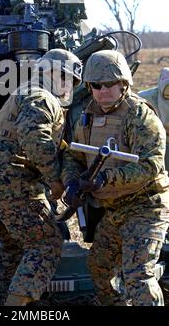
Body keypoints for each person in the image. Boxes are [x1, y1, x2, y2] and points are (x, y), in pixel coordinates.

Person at [0, 49, 82, 306]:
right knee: (46, 243)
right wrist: (54, 179)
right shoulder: (42, 97)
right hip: (10, 179)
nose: (67, 85)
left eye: (71, 81)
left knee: (14, 246)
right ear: (49, 73)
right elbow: (34, 137)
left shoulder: (25, 91)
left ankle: (7, 298)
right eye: (64, 78)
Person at [61, 49, 169, 306]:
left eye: (110, 84)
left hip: (147, 207)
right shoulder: (86, 117)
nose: (103, 90)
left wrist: (103, 180)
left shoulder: (140, 116)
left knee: (137, 275)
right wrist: (72, 181)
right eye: (96, 85)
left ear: (124, 84)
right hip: (115, 210)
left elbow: (150, 165)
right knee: (99, 270)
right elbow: (72, 156)